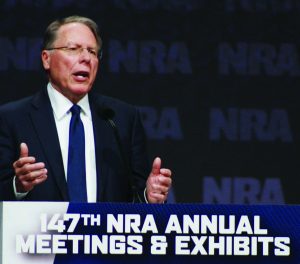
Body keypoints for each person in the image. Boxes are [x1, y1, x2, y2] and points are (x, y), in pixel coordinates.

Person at [0, 15, 172, 203]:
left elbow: (136, 196)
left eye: (92, 51)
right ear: (46, 59)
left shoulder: (121, 119)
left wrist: (149, 197)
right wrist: (18, 186)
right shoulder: (12, 119)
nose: (86, 58)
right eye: (73, 49)